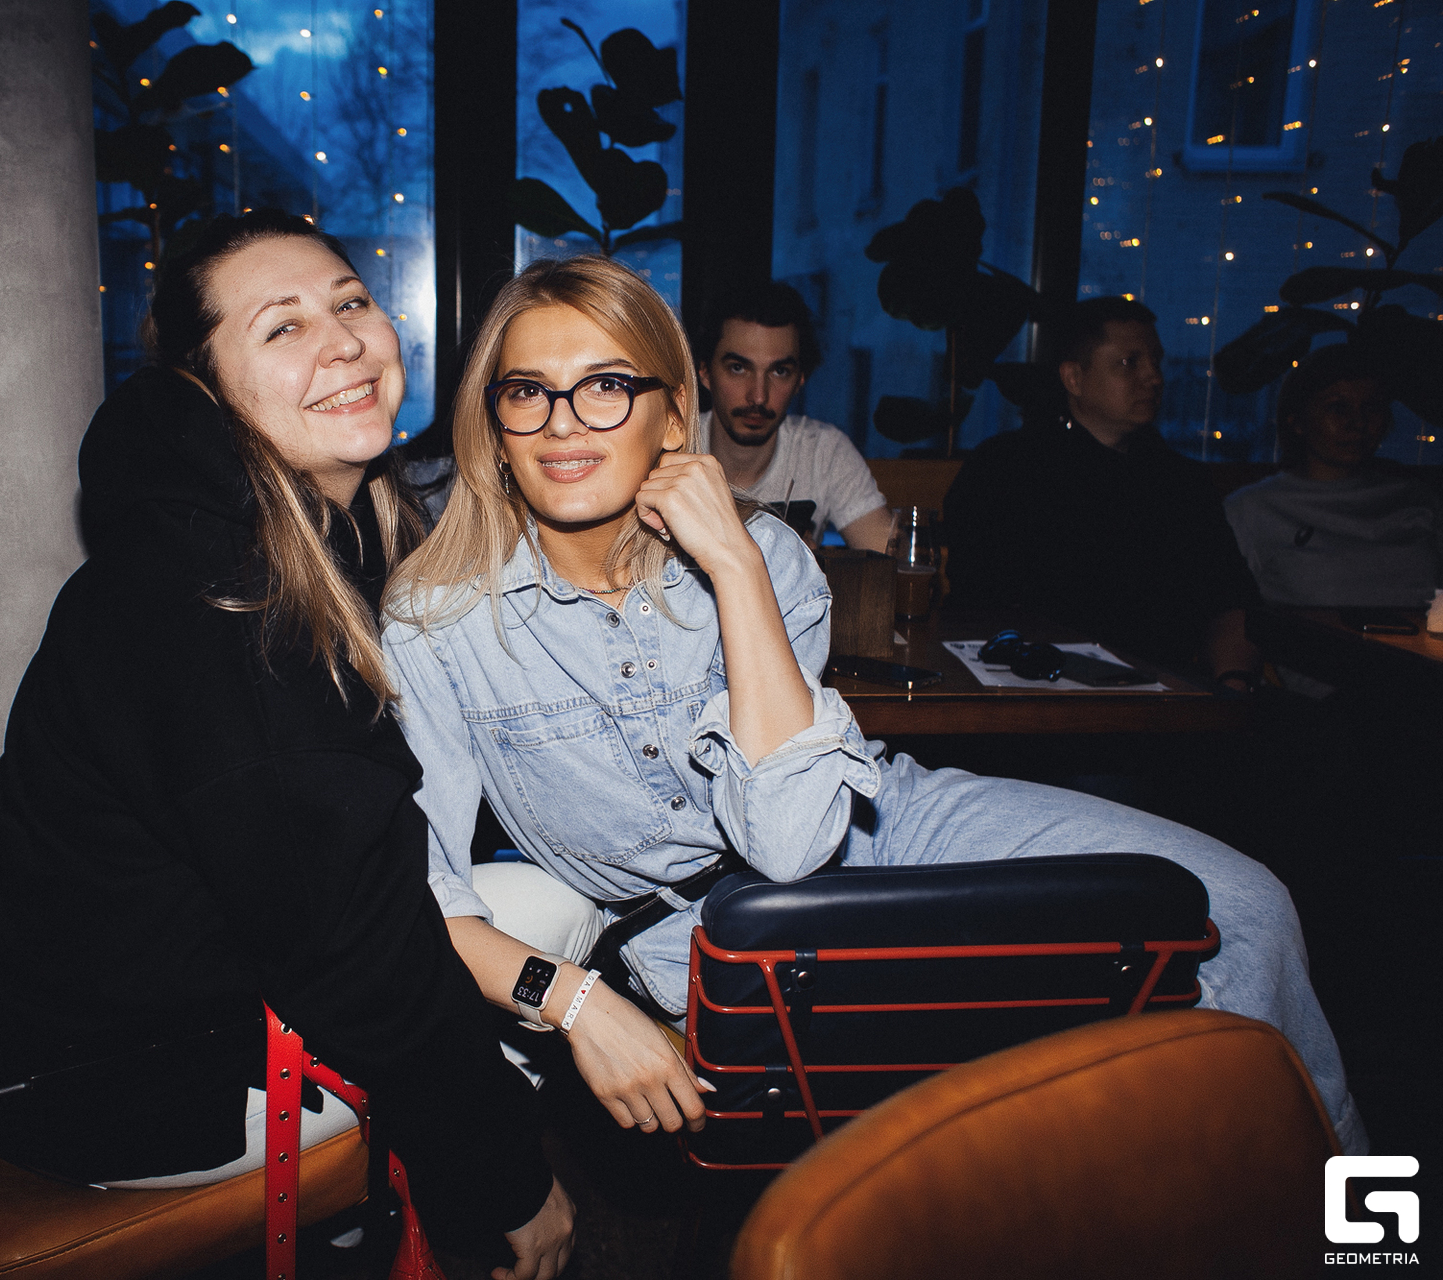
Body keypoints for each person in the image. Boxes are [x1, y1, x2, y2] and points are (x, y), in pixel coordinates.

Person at [379, 256, 1366, 1155]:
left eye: (604, 386)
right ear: (494, 426)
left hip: (882, 821)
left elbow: (795, 833)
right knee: (970, 1121)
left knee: (1243, 908)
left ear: (674, 417)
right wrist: (576, 1000)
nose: (561, 423)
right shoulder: (437, 617)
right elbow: (420, 884)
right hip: (694, 930)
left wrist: (733, 562)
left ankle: (1339, 1227)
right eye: (527, 391)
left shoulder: (764, 559)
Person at [0, 210, 571, 1280]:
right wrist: (509, 1174)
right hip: (122, 1091)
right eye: (283, 327)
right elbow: (356, 949)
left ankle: (367, 1217)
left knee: (497, 914)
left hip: (100, 1018)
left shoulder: (277, 527)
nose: (344, 341)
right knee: (551, 914)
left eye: (351, 302)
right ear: (206, 386)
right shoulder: (227, 600)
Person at [944, 296, 1265, 691]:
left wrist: (1232, 686)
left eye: (1156, 362)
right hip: (1035, 687)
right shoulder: (1006, 470)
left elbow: (1230, 601)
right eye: (1129, 363)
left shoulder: (1181, 482)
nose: (1154, 378)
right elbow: (981, 606)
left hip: (1169, 694)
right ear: (1074, 378)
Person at [1225, 343, 1442, 609]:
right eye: (1338, 408)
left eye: (1371, 408)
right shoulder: (1253, 509)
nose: (1358, 423)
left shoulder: (1419, 500)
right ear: (1297, 421)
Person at [690, 280, 893, 552]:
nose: (758, 396)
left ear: (800, 379)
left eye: (779, 371)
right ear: (705, 371)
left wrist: (813, 565)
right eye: (738, 368)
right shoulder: (674, 449)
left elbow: (891, 559)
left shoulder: (822, 451)